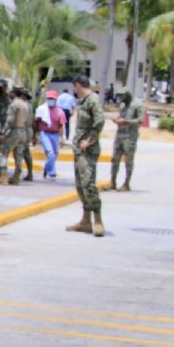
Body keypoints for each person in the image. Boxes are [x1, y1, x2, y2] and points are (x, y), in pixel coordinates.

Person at [67, 75, 106, 236]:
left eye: (74, 88)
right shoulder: (83, 102)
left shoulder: (92, 100)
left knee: (88, 184)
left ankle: (97, 220)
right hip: (79, 150)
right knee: (81, 185)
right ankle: (85, 220)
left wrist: (89, 141)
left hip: (87, 151)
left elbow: (100, 121)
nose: (74, 91)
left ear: (77, 85)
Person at [105, 90, 145, 191]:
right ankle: (112, 182)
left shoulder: (138, 104)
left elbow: (140, 120)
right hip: (119, 134)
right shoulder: (123, 105)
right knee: (115, 159)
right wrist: (117, 119)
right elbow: (121, 116)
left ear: (127, 95)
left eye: (122, 97)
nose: (120, 100)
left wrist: (126, 121)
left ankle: (126, 183)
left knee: (128, 160)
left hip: (130, 136)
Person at [0, 86, 30, 185]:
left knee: (3, 152)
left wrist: (3, 132)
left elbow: (10, 120)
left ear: (14, 93)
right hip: (23, 131)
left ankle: (3, 177)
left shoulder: (14, 104)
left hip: (14, 131)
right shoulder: (25, 105)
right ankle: (16, 176)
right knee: (19, 155)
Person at [33, 89, 67, 179]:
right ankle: (49, 169)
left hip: (55, 134)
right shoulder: (42, 109)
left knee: (54, 154)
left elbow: (61, 125)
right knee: (50, 153)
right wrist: (34, 135)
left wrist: (62, 138)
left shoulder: (60, 111)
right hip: (45, 133)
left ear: (55, 100)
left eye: (52, 99)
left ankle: (50, 169)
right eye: (49, 99)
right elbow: (37, 122)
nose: (50, 100)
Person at [22, 90, 35, 181]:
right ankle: (30, 173)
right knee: (26, 152)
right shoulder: (30, 105)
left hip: (23, 130)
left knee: (22, 152)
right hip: (29, 129)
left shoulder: (24, 105)